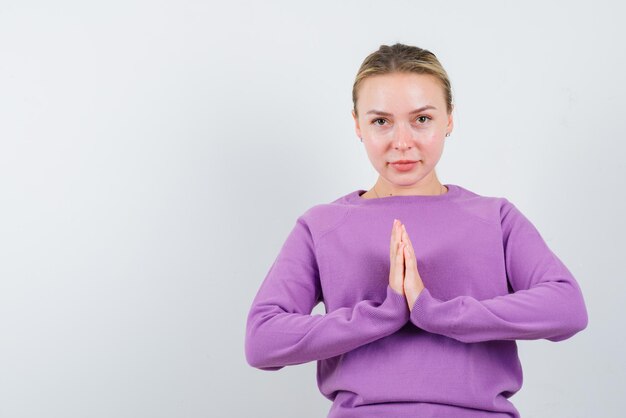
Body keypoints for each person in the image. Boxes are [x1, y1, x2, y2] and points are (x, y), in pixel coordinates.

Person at [244, 43, 588, 418]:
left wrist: (435, 312)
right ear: (358, 124)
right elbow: (262, 340)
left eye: (421, 119)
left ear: (449, 119)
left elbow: (566, 308)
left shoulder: (494, 217)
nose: (402, 142)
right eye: (381, 121)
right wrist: (383, 314)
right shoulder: (322, 225)